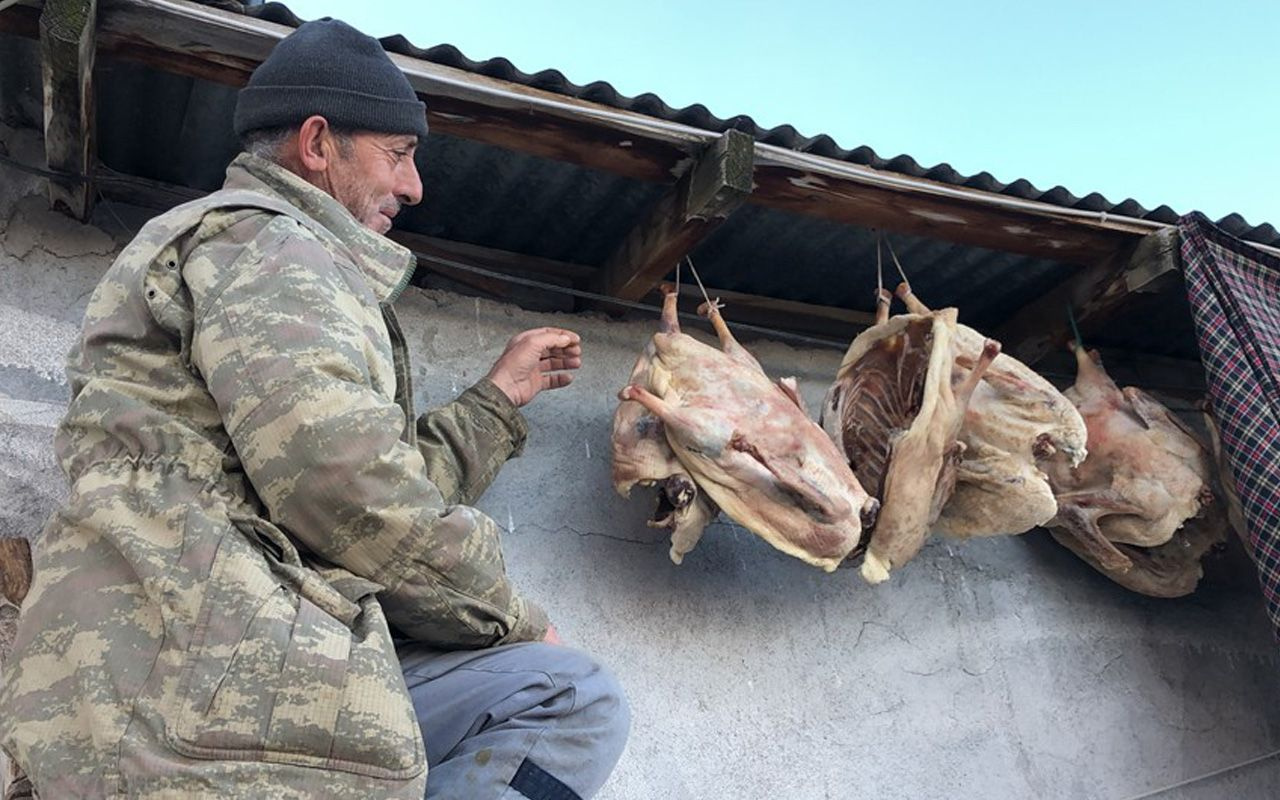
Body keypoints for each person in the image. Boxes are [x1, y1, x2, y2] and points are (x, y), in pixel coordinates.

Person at [0, 18, 629, 800]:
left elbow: (350, 480)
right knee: (568, 696)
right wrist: (514, 619)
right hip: (199, 675)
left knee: (564, 695)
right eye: (398, 155)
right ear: (319, 143)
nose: (414, 187)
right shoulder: (273, 246)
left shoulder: (253, 255)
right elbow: (345, 487)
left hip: (206, 661)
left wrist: (495, 403)